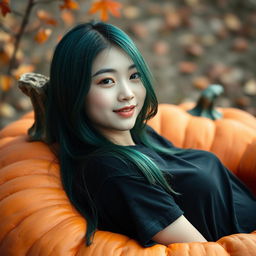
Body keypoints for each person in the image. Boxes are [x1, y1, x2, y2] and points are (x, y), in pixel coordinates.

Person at [45, 21, 256, 247]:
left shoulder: (136, 133)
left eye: (134, 76)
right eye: (106, 81)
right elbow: (199, 252)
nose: (127, 94)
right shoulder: (115, 172)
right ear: (73, 91)